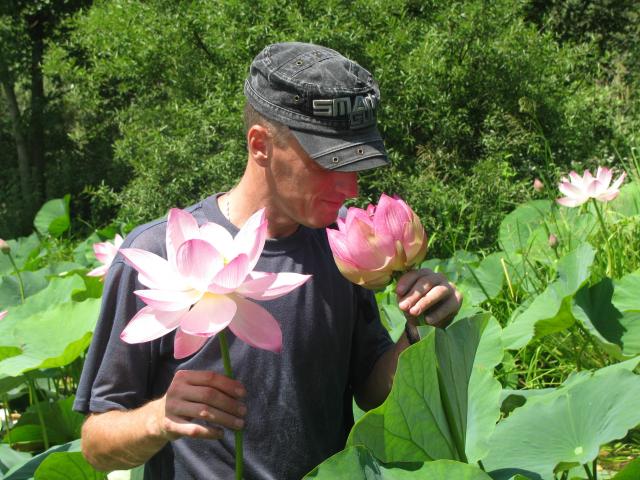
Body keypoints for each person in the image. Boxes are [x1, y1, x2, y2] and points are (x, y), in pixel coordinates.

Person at [74, 42, 462, 479]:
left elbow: (373, 391)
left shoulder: (342, 249)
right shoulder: (156, 254)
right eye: (328, 163)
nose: (350, 189)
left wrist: (418, 329)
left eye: (355, 164)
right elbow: (96, 445)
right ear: (260, 145)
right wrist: (157, 418)